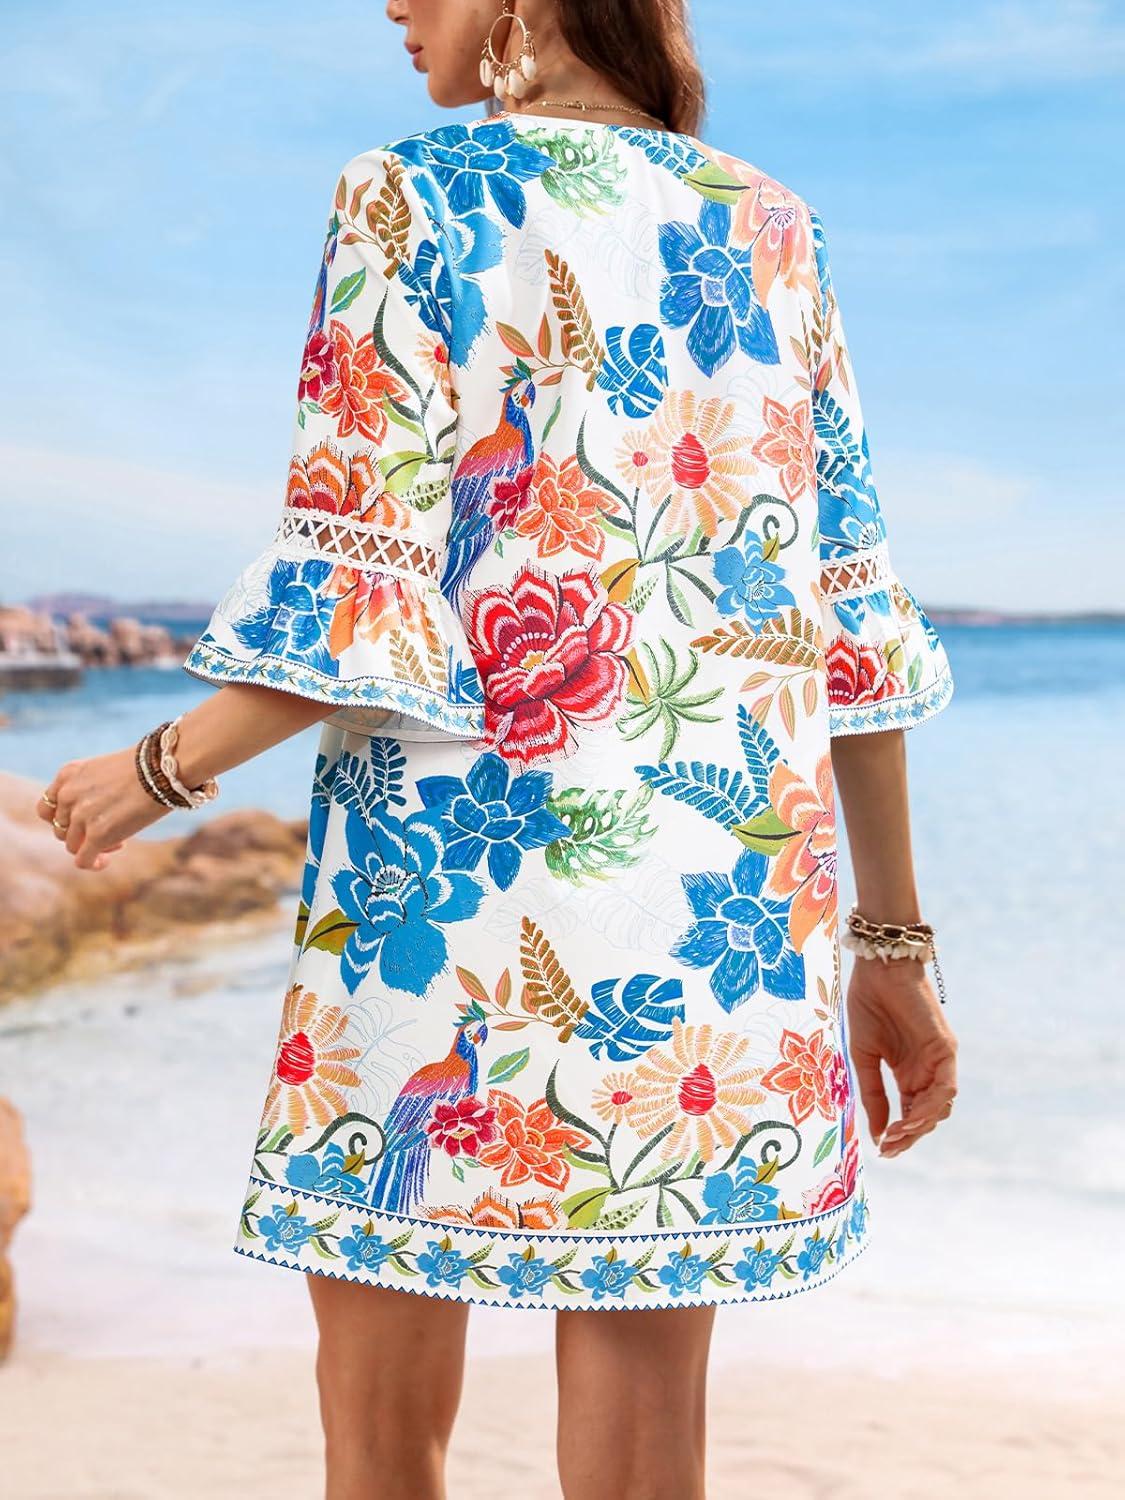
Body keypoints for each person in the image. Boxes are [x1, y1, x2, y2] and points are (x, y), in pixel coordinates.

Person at [36, 2, 960, 1496]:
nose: (392, 8)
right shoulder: (774, 225)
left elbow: (363, 578)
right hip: (717, 911)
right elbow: (845, 618)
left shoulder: (406, 193)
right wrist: (894, 943)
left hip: (435, 892)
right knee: (649, 1443)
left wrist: (152, 770)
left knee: (380, 1437)